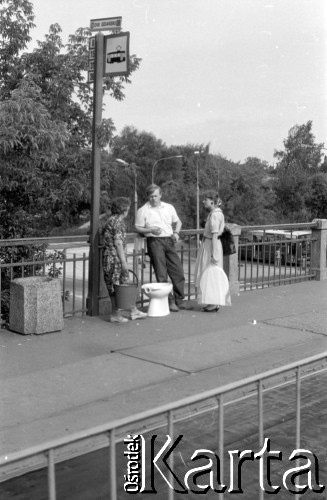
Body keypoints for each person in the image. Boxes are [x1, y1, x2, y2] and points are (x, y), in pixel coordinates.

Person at [135, 184, 192, 311]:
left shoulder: (168, 207)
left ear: (160, 195)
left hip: (169, 239)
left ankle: (180, 300)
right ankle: (170, 301)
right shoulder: (143, 210)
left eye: (155, 196)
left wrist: (176, 232)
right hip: (154, 241)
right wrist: (149, 229)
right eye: (150, 196)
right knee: (161, 273)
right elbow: (138, 227)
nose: (153, 199)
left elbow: (178, 221)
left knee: (177, 271)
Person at [102, 197, 147, 323]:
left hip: (108, 257)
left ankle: (132, 310)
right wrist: (123, 262)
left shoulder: (109, 220)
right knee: (120, 285)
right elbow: (118, 243)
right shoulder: (119, 223)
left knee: (117, 285)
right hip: (115, 258)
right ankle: (117, 313)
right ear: (124, 209)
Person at [194, 191, 231, 312]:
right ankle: (214, 301)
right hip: (211, 244)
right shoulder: (215, 213)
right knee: (210, 273)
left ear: (212, 202)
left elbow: (215, 235)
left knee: (209, 273)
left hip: (211, 245)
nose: (203, 201)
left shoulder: (215, 215)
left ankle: (213, 302)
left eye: (206, 200)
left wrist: (213, 253)